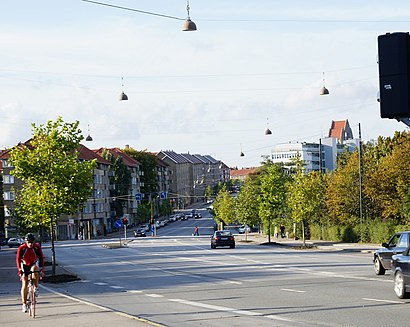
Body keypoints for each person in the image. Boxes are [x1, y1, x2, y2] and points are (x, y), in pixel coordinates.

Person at [16, 233, 44, 313]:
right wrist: (19, 270)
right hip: (24, 265)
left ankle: (35, 287)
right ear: (26, 242)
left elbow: (41, 258)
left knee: (35, 269)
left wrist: (42, 270)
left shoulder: (36, 247)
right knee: (24, 283)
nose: (30, 244)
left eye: (32, 242)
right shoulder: (22, 248)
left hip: (33, 263)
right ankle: (24, 304)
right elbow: (18, 259)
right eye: (29, 242)